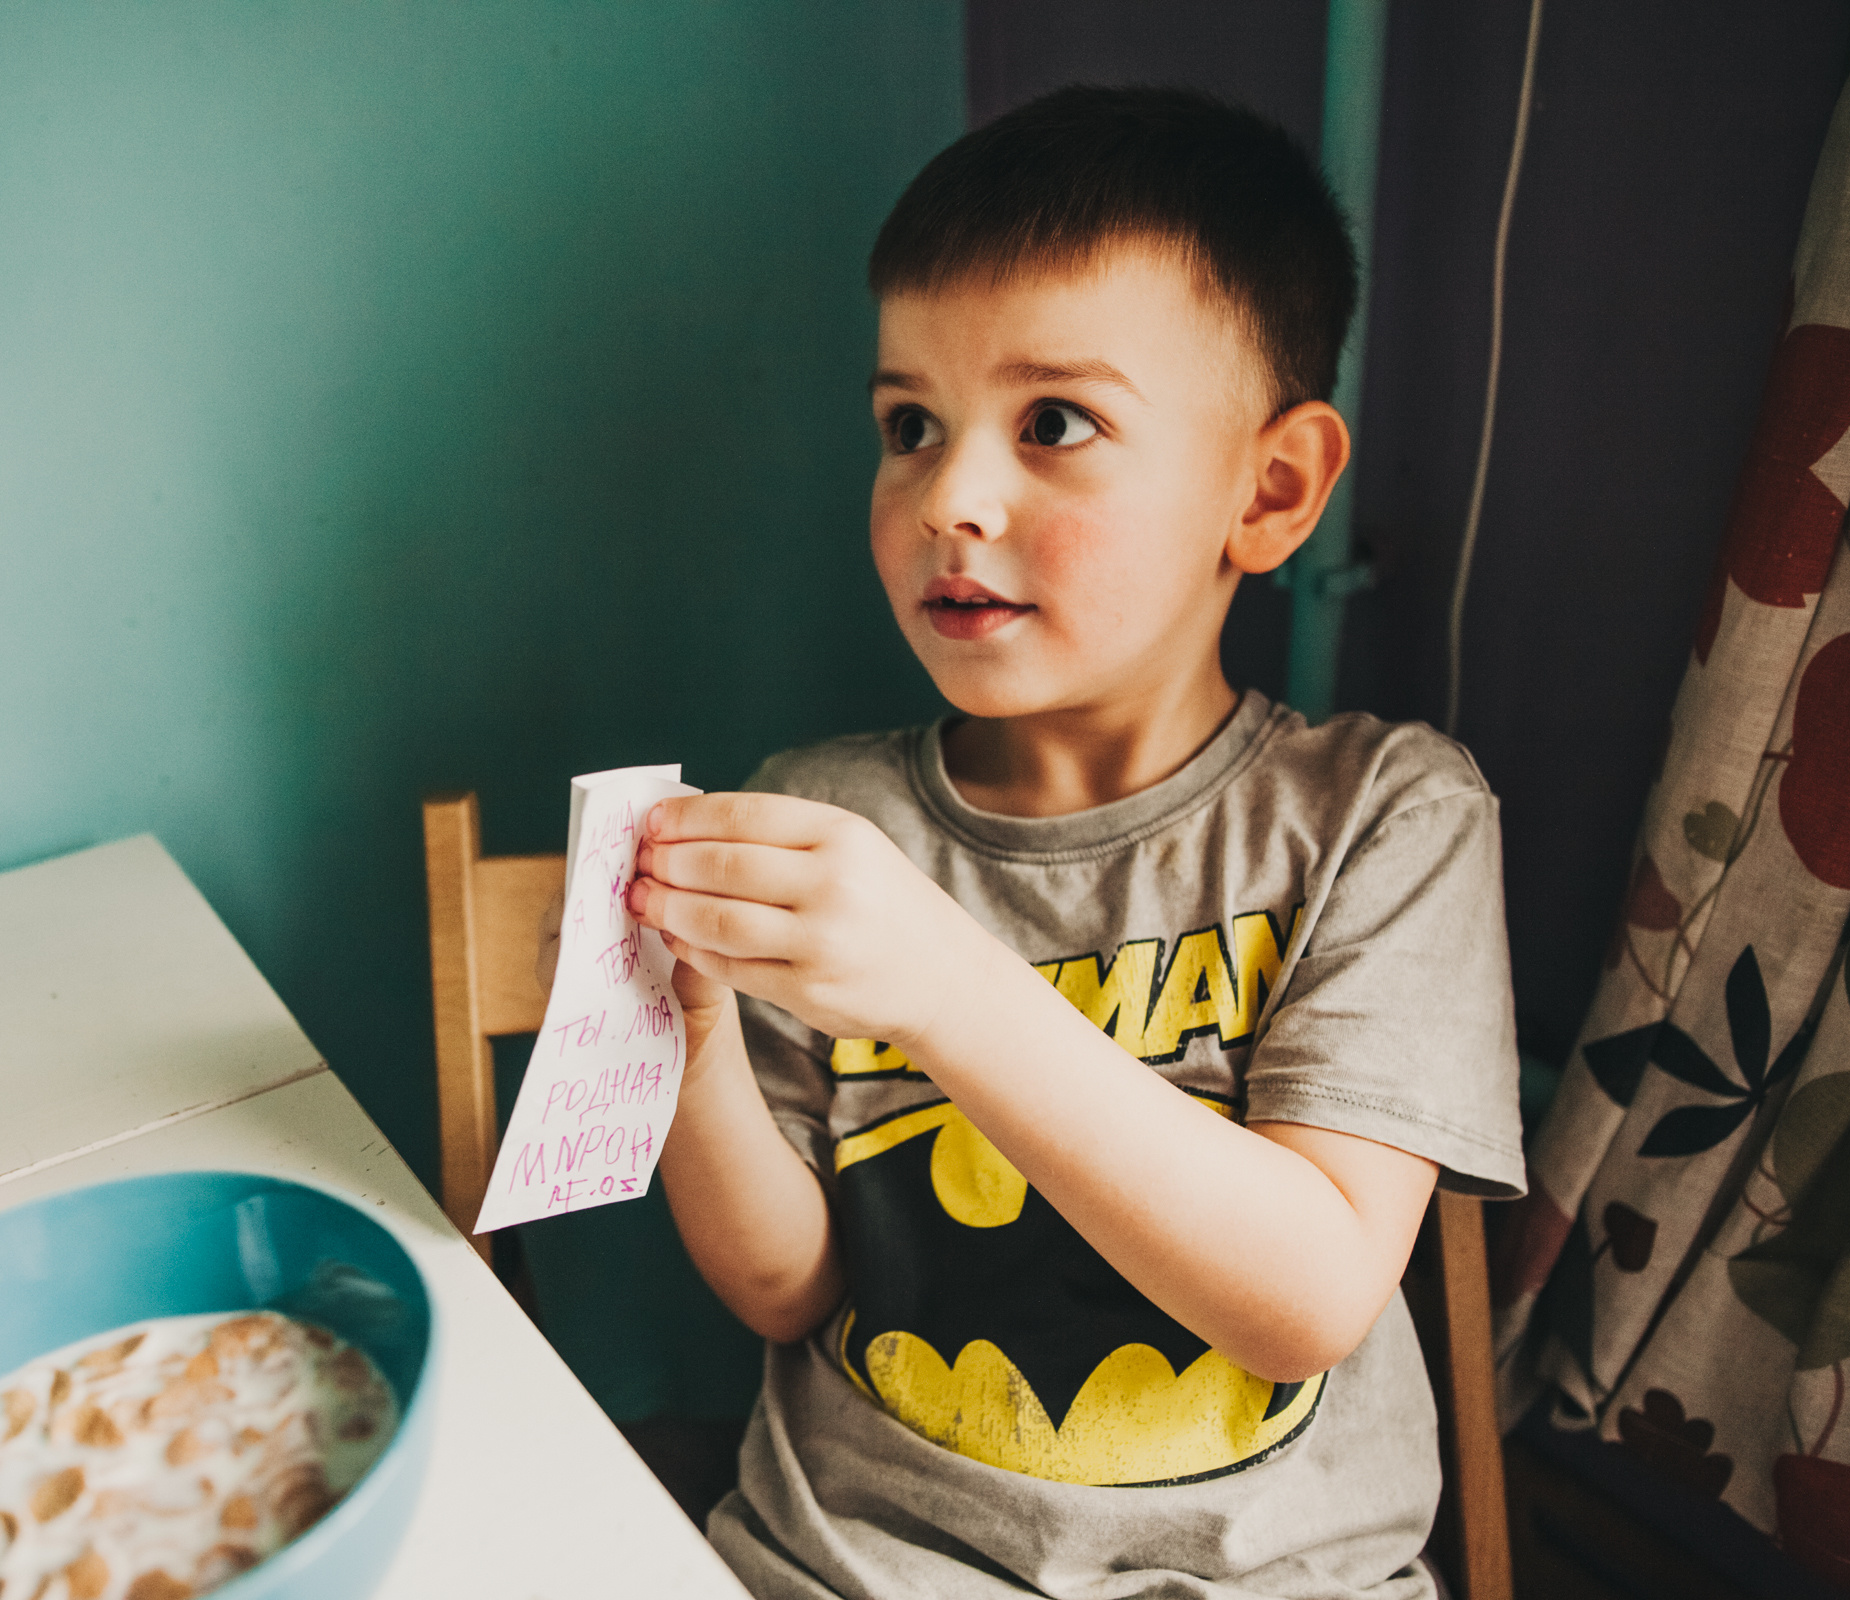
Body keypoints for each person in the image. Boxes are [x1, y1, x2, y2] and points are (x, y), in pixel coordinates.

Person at [625, 86, 1526, 1599]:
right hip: (854, 1568)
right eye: (909, 426)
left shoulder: (1385, 815)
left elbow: (1304, 1301)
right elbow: (789, 1291)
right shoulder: (825, 813)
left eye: (1056, 423)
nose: (947, 500)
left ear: (1273, 487)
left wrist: (942, 986)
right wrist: (690, 1037)